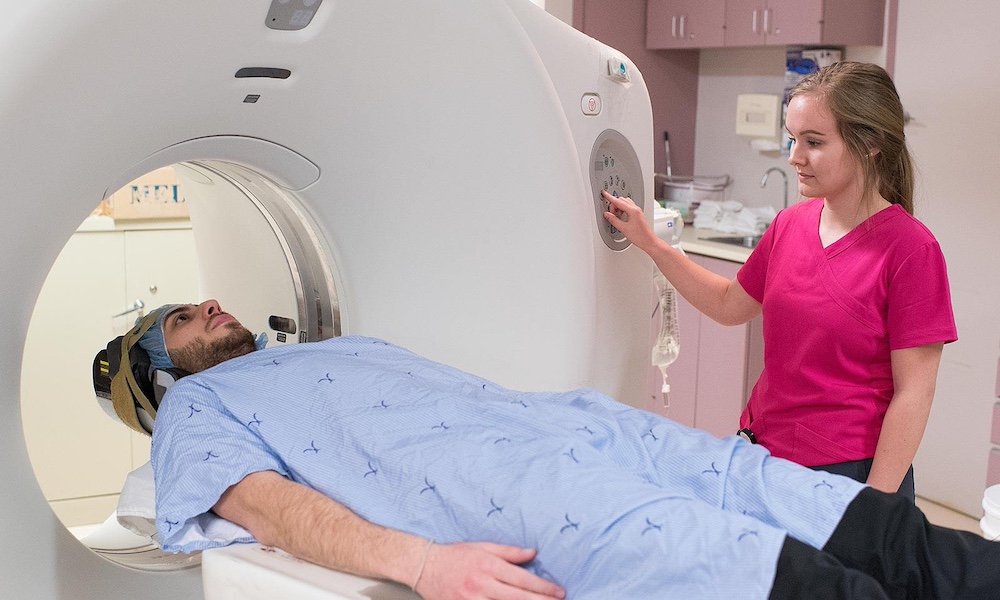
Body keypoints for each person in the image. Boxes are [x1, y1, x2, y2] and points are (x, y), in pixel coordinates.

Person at [124, 300, 998, 600]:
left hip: (586, 428)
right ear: (157, 372)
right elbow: (269, 507)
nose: (211, 309)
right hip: (521, 489)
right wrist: (422, 564)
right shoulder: (194, 411)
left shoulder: (333, 346)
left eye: (207, 303)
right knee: (787, 580)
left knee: (881, 534)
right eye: (183, 321)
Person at [603, 61, 955, 501]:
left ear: (870, 145)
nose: (794, 156)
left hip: (846, 475)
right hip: (762, 453)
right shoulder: (791, 224)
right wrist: (652, 244)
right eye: (792, 138)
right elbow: (730, 304)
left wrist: (874, 509)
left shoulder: (910, 250)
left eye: (813, 142)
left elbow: (914, 393)